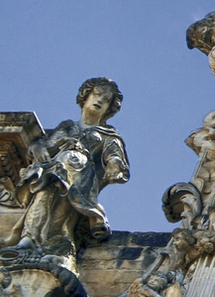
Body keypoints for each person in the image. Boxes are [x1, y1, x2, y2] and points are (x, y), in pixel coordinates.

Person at [5, 78, 129, 258]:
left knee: (62, 206)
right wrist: (39, 149)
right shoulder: (67, 126)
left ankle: (48, 240)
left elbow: (114, 156)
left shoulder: (108, 135)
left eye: (106, 99)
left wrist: (115, 164)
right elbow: (41, 145)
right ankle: (30, 238)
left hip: (81, 176)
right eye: (97, 94)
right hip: (53, 169)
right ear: (85, 97)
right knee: (44, 193)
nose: (100, 100)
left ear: (110, 107)